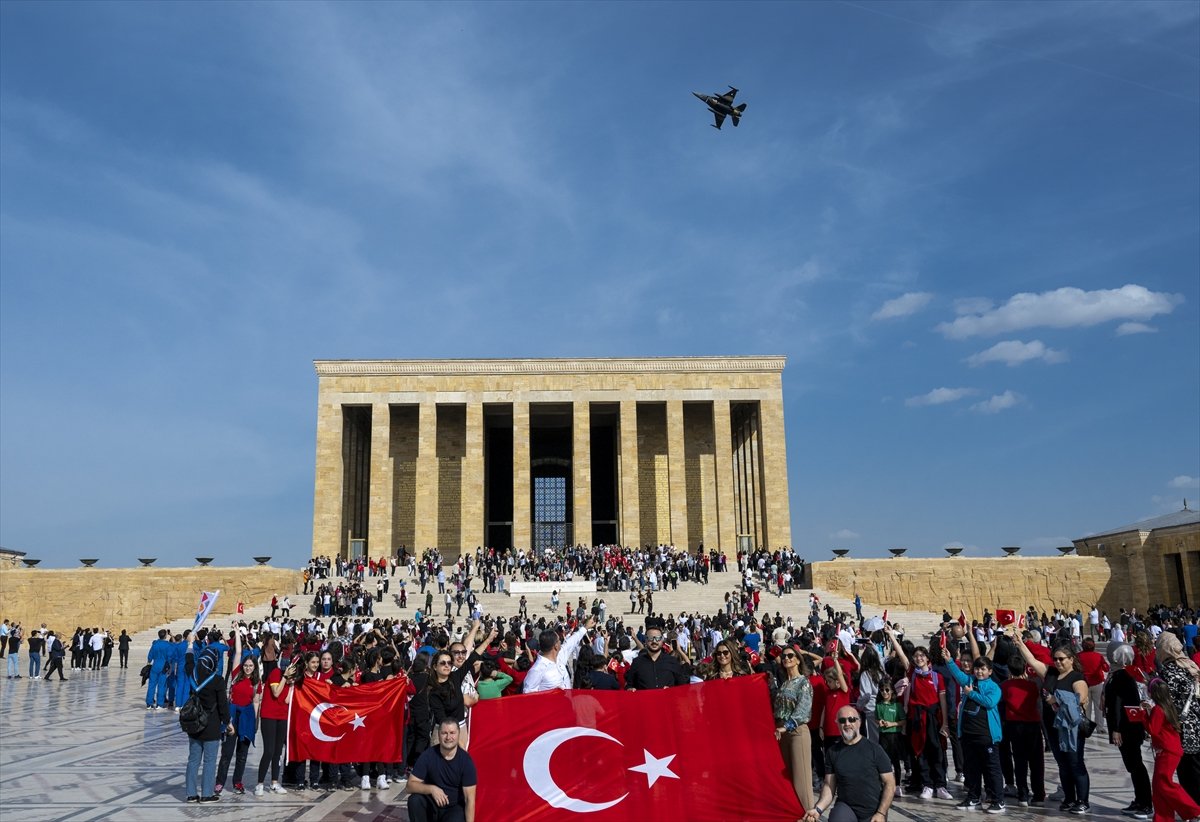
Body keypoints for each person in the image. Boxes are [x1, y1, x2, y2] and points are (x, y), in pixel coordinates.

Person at [1014, 631, 1090, 813]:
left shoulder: (1077, 678)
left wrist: (1056, 699)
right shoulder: (1051, 674)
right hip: (1053, 726)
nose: (1058, 662)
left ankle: (1083, 801)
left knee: (1075, 763)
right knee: (1063, 764)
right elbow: (1032, 661)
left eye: (1062, 659)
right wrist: (1020, 643)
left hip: (1071, 729)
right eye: (1055, 659)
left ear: (1071, 659)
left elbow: (1080, 698)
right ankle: (1069, 798)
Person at [885, 625, 952, 800]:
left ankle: (940, 785)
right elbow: (901, 655)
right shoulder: (912, 673)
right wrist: (891, 636)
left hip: (933, 718)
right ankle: (927, 784)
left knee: (936, 751)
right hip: (917, 718)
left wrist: (945, 723)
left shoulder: (936, 677)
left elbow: (943, 701)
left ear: (927, 658)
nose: (919, 658)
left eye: (922, 655)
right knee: (920, 751)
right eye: (916, 656)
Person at [805, 706, 895, 822]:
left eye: (851, 719)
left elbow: (890, 783)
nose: (847, 724)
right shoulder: (833, 752)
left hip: (872, 810)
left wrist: (881, 813)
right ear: (838, 724)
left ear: (859, 722)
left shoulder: (875, 749)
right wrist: (818, 809)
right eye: (842, 720)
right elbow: (829, 786)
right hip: (846, 807)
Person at [945, 654, 1005, 813]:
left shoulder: (994, 687)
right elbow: (958, 675)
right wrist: (949, 660)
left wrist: (971, 694)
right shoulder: (970, 681)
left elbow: (990, 702)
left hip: (986, 735)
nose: (979, 672)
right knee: (972, 768)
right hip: (968, 734)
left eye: (983, 669)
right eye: (977, 668)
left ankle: (998, 800)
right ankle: (973, 797)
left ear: (990, 671)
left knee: (992, 769)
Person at [1137, 677, 1200, 822]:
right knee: (1158, 786)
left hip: (1167, 751)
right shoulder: (1167, 706)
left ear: (1153, 693)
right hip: (1171, 749)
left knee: (1164, 784)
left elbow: (1153, 729)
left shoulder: (1158, 710)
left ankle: (1194, 810)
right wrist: (1149, 710)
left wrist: (1142, 714)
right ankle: (1163, 817)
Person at [1105, 644, 1151, 818]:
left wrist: (1116, 729)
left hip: (1127, 727)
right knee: (1133, 765)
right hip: (1131, 725)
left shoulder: (1121, 676)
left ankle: (1145, 803)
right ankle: (1140, 800)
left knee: (1135, 765)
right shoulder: (1127, 673)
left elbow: (1118, 704)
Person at [1156, 631, 1200, 804]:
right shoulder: (1190, 665)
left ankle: (1194, 806)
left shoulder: (1168, 672)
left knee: (1187, 770)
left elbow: (1167, 700)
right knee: (1196, 766)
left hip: (1181, 726)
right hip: (1196, 722)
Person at [407, 718, 477, 822]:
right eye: (444, 733)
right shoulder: (428, 755)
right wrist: (432, 789)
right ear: (439, 735)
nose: (448, 737)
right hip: (432, 806)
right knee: (414, 800)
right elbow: (409, 786)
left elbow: (469, 800)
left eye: (452, 733)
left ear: (458, 734)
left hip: (453, 808)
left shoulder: (466, 761)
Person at [183, 649, 230, 803]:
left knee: (193, 760)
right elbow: (223, 705)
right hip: (211, 726)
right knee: (209, 761)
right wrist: (227, 722)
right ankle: (207, 794)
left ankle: (191, 794)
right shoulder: (217, 681)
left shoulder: (193, 676)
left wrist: (190, 646)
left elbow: (189, 662)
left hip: (195, 725)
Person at [774, 643, 815, 812]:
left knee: (801, 778)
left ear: (798, 660)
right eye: (784, 656)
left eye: (790, 655)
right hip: (781, 732)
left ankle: (808, 815)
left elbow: (803, 709)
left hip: (797, 731)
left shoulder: (803, 682)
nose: (786, 658)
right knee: (788, 777)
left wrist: (787, 726)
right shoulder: (784, 684)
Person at [524, 616, 593, 693]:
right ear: (556, 646)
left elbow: (571, 642)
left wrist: (585, 627)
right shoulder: (537, 669)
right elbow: (528, 694)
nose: (560, 642)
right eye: (559, 640)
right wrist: (550, 695)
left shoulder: (559, 656)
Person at [625, 625, 688, 690]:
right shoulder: (637, 662)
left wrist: (672, 690)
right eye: (650, 638)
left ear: (662, 640)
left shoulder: (672, 661)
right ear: (646, 640)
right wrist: (629, 688)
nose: (654, 641)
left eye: (658, 638)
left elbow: (682, 686)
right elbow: (629, 685)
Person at [874, 680, 905, 799]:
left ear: (892, 691)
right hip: (883, 736)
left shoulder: (897, 705)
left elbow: (903, 720)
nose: (884, 692)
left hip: (894, 736)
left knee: (895, 761)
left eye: (887, 690)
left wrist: (892, 724)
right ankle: (885, 785)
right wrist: (879, 722)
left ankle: (897, 785)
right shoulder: (879, 705)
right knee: (884, 761)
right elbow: (876, 718)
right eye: (882, 690)